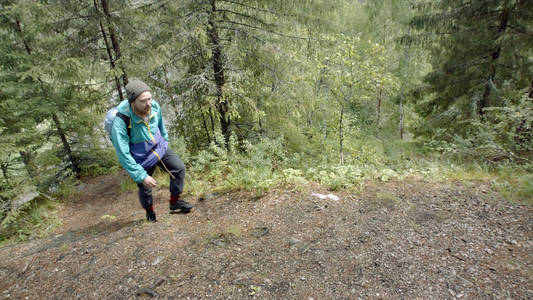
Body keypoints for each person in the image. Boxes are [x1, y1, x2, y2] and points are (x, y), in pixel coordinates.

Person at [111, 79, 193, 222]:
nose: (148, 103)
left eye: (149, 98)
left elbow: (161, 125)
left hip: (158, 147)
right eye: (143, 101)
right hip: (140, 157)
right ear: (132, 101)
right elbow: (123, 154)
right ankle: (150, 213)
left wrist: (165, 140)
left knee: (179, 168)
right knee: (145, 187)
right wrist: (141, 176)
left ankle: (175, 203)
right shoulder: (121, 122)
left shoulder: (154, 106)